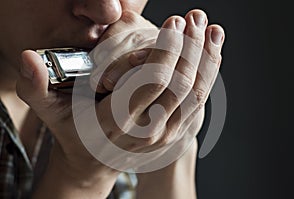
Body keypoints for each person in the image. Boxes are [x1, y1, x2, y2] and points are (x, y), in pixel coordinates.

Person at [0, 0, 225, 198]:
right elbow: (85, 176)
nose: (109, 11)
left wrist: (170, 142)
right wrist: (83, 177)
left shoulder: (117, 90)